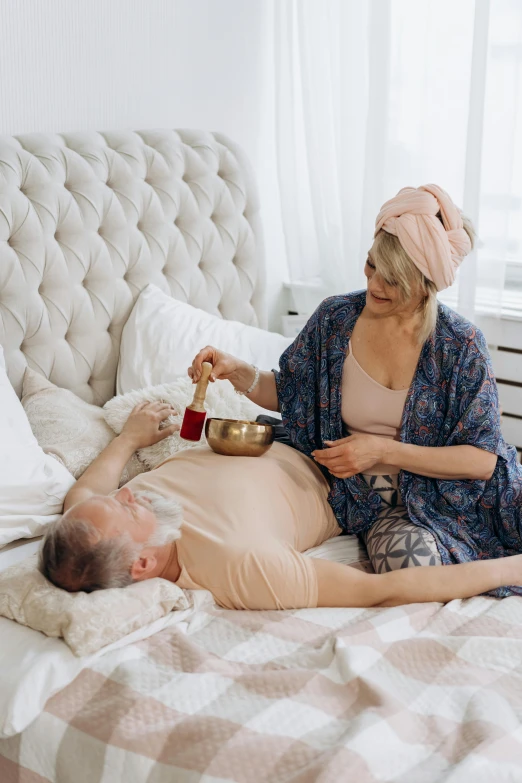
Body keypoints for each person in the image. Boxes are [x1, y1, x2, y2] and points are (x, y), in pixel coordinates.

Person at [189, 184, 522, 597]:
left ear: (426, 285)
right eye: (371, 266)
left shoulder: (460, 345)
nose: (375, 285)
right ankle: (511, 570)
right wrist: (238, 372)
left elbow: (482, 461)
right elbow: (294, 395)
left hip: (470, 495)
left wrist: (382, 451)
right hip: (379, 504)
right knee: (408, 567)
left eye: (393, 280)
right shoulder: (335, 319)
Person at [40, 391, 522, 609]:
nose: (127, 492)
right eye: (126, 507)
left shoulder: (88, 524)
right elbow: (380, 592)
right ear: (142, 564)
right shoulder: (241, 566)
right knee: (487, 482)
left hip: (277, 427)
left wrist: (128, 439)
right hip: (347, 476)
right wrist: (509, 570)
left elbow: (84, 494)